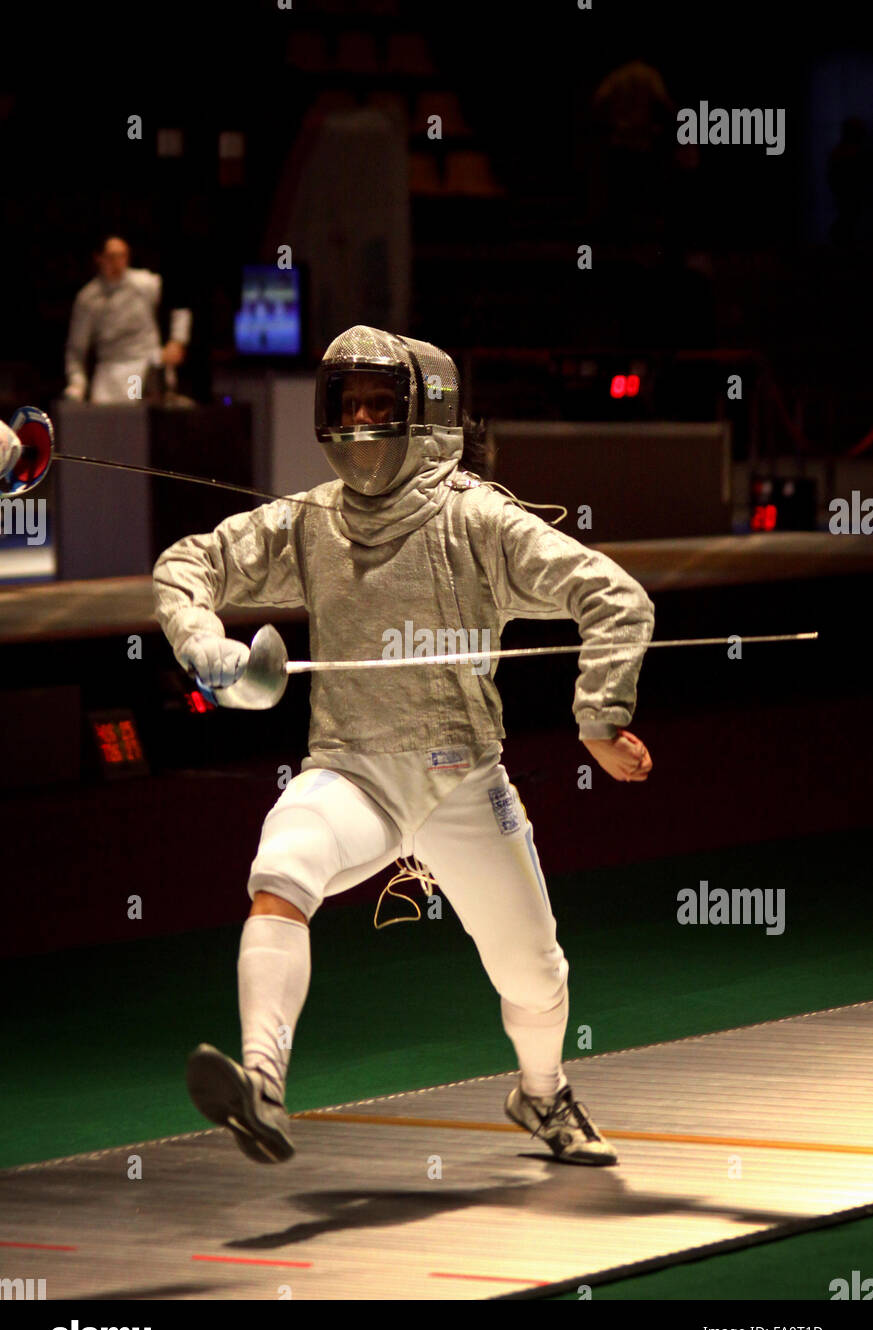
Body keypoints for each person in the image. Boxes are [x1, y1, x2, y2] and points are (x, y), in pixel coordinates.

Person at [152, 326, 654, 1168]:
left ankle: (540, 1095)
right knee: (279, 873)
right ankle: (264, 1087)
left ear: (428, 413)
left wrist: (597, 720)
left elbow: (614, 598)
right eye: (345, 405)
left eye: (379, 406)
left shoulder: (478, 520)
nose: (358, 424)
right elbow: (185, 566)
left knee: (533, 973)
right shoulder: (312, 522)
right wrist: (207, 649)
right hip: (352, 773)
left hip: (462, 780)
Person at [64, 237, 190, 404]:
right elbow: (76, 348)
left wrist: (178, 340)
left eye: (121, 256)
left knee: (133, 410)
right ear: (99, 258)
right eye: (111, 257)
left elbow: (179, 306)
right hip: (108, 372)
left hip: (140, 367)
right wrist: (77, 383)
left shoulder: (146, 284)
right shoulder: (88, 298)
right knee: (100, 419)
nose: (117, 263)